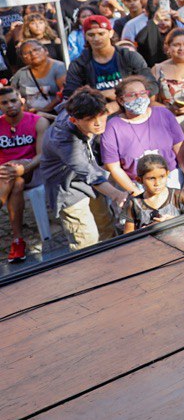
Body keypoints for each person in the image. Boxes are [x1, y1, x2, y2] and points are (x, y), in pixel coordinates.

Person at [38, 87, 131, 250]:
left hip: (91, 176)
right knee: (86, 239)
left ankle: (117, 263)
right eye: (90, 119)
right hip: (66, 185)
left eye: (102, 115)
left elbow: (101, 105)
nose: (98, 123)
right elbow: (89, 173)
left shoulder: (81, 106)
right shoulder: (63, 139)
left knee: (106, 225)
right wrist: (118, 195)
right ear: (75, 120)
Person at [100, 75, 184, 195]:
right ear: (121, 100)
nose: (139, 98)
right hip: (137, 185)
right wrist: (136, 193)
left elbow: (179, 147)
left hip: (172, 180)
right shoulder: (112, 127)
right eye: (132, 95)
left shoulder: (164, 114)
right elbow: (113, 167)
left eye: (143, 93)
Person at [64, 15, 155, 113]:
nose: (96, 38)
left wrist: (124, 97)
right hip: (96, 111)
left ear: (111, 33)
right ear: (85, 36)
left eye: (101, 33)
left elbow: (152, 86)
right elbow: (71, 95)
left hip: (133, 106)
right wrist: (102, 94)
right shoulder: (79, 64)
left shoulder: (129, 57)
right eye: (91, 35)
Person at [0, 86, 48, 262]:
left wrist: (24, 168)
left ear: (22, 101)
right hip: (6, 175)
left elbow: (42, 155)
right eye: (4, 103)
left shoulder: (38, 121)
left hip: (32, 171)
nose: (10, 105)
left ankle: (17, 241)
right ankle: (18, 240)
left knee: (17, 175)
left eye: (13, 101)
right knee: (17, 183)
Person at [123, 153, 184, 232]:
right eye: (151, 178)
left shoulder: (178, 196)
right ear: (139, 180)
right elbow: (128, 236)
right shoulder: (134, 204)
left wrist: (175, 221)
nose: (157, 183)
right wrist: (147, 230)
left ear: (167, 174)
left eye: (162, 177)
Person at [11, 39, 67, 118]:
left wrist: (44, 110)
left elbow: (64, 93)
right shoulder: (20, 74)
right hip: (29, 115)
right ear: (22, 58)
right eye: (26, 53)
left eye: (36, 49)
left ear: (46, 51)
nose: (33, 54)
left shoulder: (59, 67)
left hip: (56, 115)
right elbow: (11, 94)